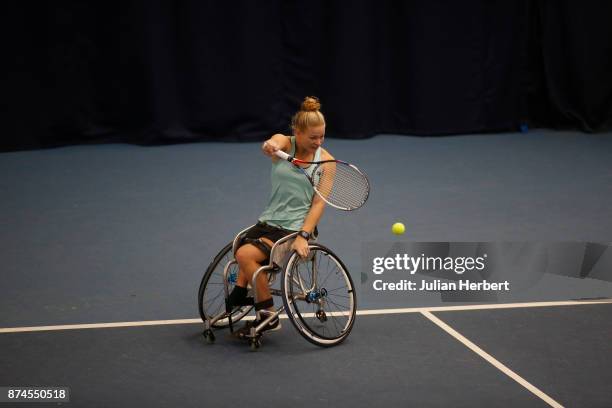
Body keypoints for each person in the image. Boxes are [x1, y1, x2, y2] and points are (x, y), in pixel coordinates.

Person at [226, 96, 333, 333]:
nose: (318, 142)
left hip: (294, 228)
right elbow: (275, 141)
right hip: (268, 220)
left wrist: (303, 235)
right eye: (312, 137)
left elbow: (318, 204)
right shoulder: (286, 143)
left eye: (322, 136)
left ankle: (267, 314)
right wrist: (270, 145)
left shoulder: (326, 162)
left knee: (245, 255)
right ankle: (247, 288)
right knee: (239, 247)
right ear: (297, 131)